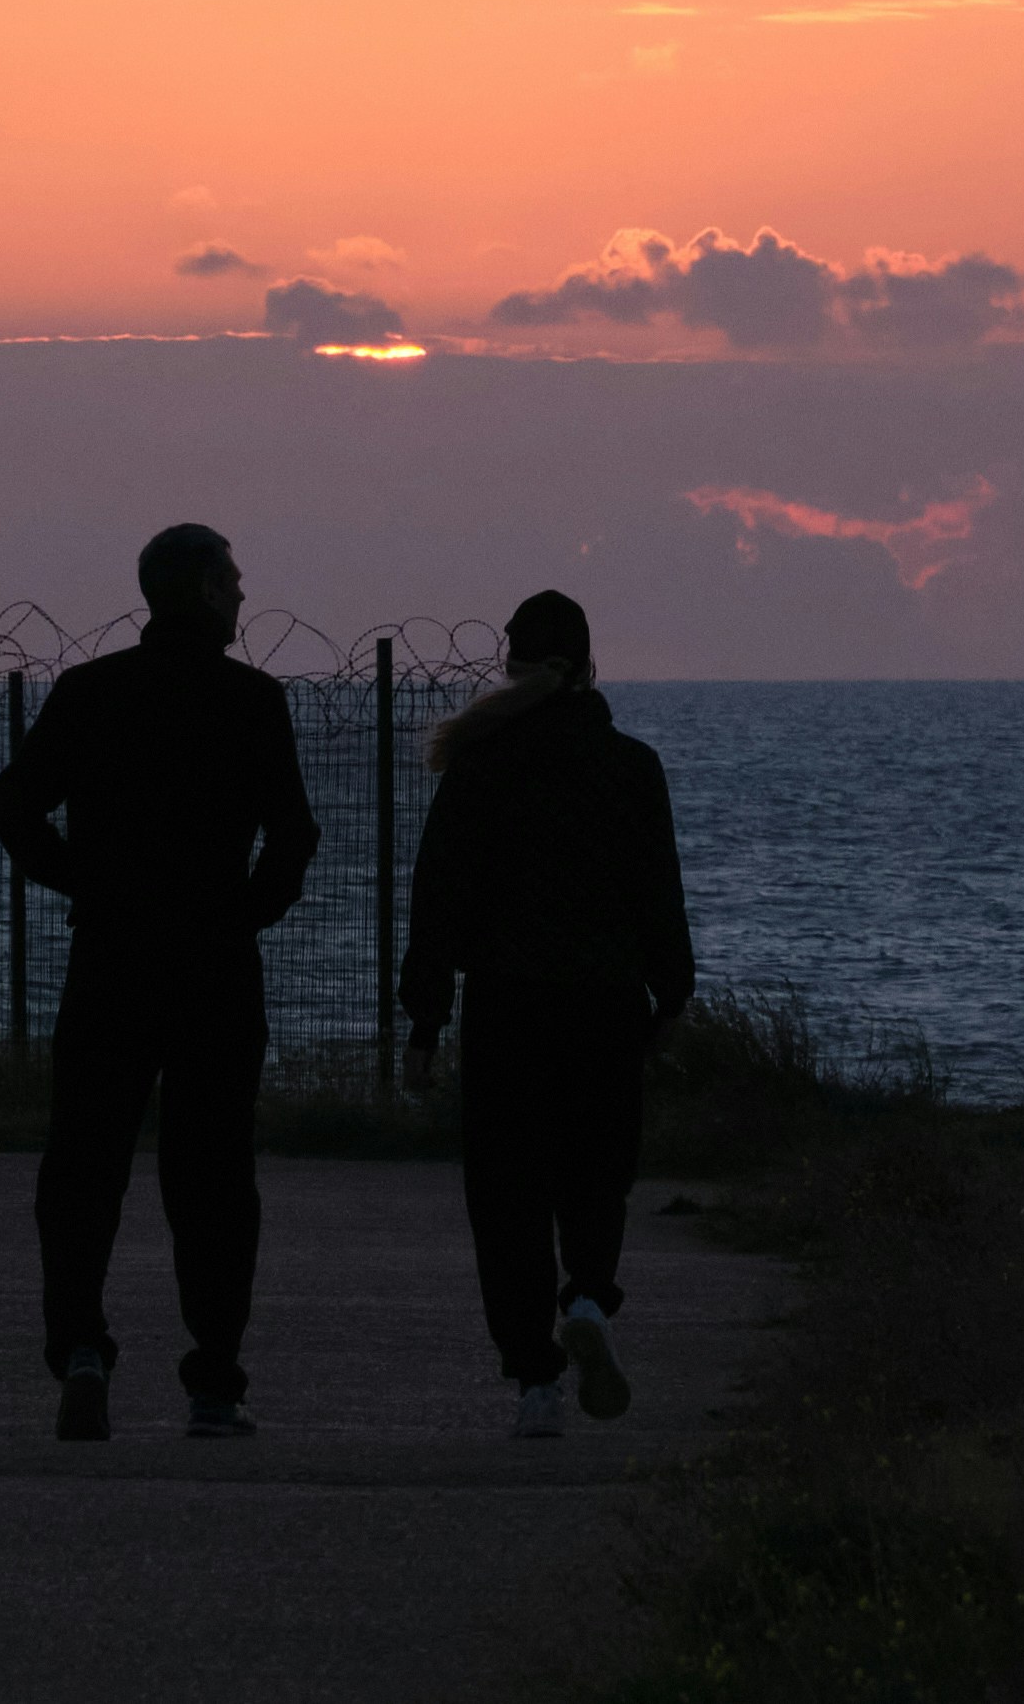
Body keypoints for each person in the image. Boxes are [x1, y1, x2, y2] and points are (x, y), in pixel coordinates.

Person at [0, 521, 319, 1440]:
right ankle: (213, 1377)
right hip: (213, 964)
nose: (246, 595)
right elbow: (295, 832)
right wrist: (247, 911)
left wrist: (79, 878)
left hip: (112, 956)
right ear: (210, 593)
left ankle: (82, 1346)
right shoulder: (252, 700)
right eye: (236, 581)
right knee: (213, 1177)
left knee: (84, 1164)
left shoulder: (91, 692)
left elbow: (13, 804)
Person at [396, 586, 696, 1438]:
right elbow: (659, 895)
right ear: (589, 666)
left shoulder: (480, 765)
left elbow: (439, 900)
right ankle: (591, 1297)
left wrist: (425, 1019)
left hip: (508, 1010)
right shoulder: (632, 767)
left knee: (508, 1195)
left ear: (511, 664)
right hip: (604, 1007)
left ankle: (535, 1379)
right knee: (598, 1174)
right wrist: (671, 994)